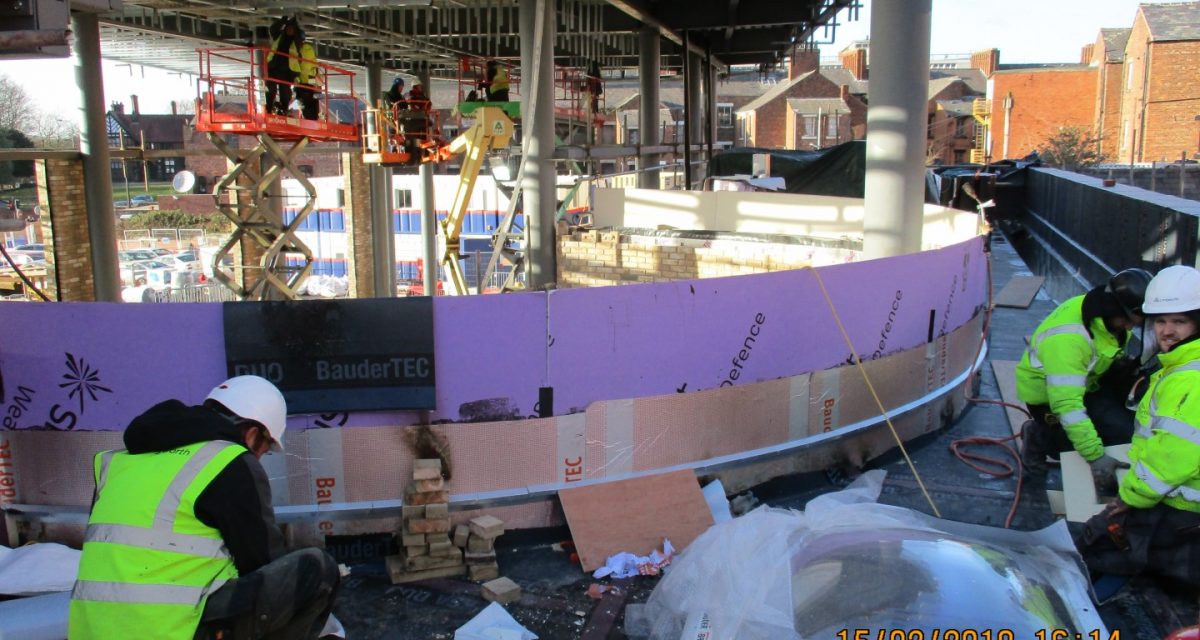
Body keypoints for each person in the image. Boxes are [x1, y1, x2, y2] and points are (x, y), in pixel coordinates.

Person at [69, 375, 340, 640]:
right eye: (265, 449)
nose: (260, 458)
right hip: (171, 629)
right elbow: (261, 561)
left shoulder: (116, 463)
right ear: (252, 433)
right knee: (316, 570)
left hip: (92, 629)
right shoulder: (229, 460)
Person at [1076, 265, 1200, 591]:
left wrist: (1128, 499)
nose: (1167, 331)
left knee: (1104, 547)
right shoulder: (1179, 365)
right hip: (1170, 497)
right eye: (1160, 321)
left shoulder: (1191, 378)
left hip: (1178, 508)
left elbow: (1172, 458)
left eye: (1179, 321)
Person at [1016, 268, 1153, 486]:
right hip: (1048, 398)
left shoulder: (1102, 314)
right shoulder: (1069, 339)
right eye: (1129, 320)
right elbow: (1068, 406)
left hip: (1088, 383)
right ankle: (1039, 436)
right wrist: (1096, 457)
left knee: (1124, 430)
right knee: (1072, 449)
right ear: (1114, 308)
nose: (1131, 326)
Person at [292, 28, 320, 120]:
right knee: (309, 100)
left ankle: (309, 118)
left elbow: (296, 63)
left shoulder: (298, 50)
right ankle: (311, 117)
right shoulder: (309, 48)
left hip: (303, 81)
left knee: (302, 100)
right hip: (310, 79)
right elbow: (313, 64)